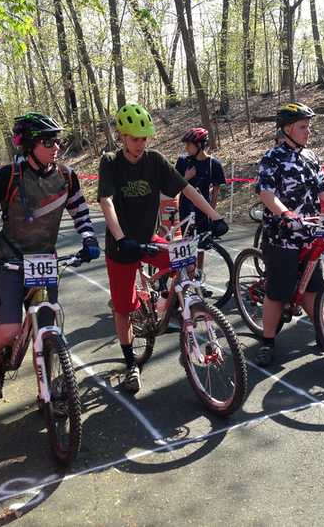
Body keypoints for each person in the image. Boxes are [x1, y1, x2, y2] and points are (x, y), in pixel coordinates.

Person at [0, 112, 100, 398]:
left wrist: (89, 239)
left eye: (58, 141)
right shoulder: (10, 176)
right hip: (8, 262)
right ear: (29, 145)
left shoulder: (66, 176)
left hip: (44, 262)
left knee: (48, 324)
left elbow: (79, 210)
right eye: (48, 141)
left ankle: (47, 391)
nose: (56, 147)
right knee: (10, 329)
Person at [98, 103, 229, 393]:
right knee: (122, 308)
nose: (141, 144)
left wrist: (215, 216)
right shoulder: (110, 161)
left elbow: (187, 189)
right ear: (122, 136)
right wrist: (120, 238)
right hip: (122, 246)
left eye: (145, 138)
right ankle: (131, 362)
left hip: (149, 239)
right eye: (135, 138)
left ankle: (178, 323)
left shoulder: (155, 160)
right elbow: (106, 201)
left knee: (185, 264)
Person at [254, 102, 324, 366]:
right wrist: (285, 214)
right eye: (303, 127)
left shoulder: (310, 157)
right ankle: (268, 341)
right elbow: (266, 194)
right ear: (288, 128)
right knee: (277, 294)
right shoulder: (272, 158)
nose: (308, 132)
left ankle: (323, 335)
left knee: (313, 289)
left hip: (309, 235)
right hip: (282, 237)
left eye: (308, 127)